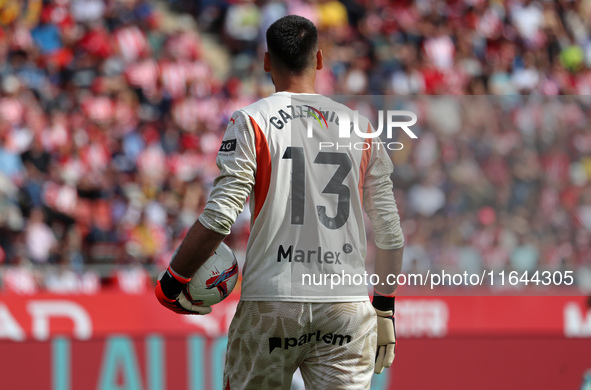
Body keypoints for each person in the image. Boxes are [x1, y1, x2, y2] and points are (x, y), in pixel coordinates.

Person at [155, 15, 404, 390]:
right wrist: (384, 306)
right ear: (319, 60)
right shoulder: (362, 128)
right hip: (346, 306)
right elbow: (390, 233)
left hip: (273, 299)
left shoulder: (252, 120)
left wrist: (173, 281)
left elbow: (221, 217)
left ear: (267, 61)